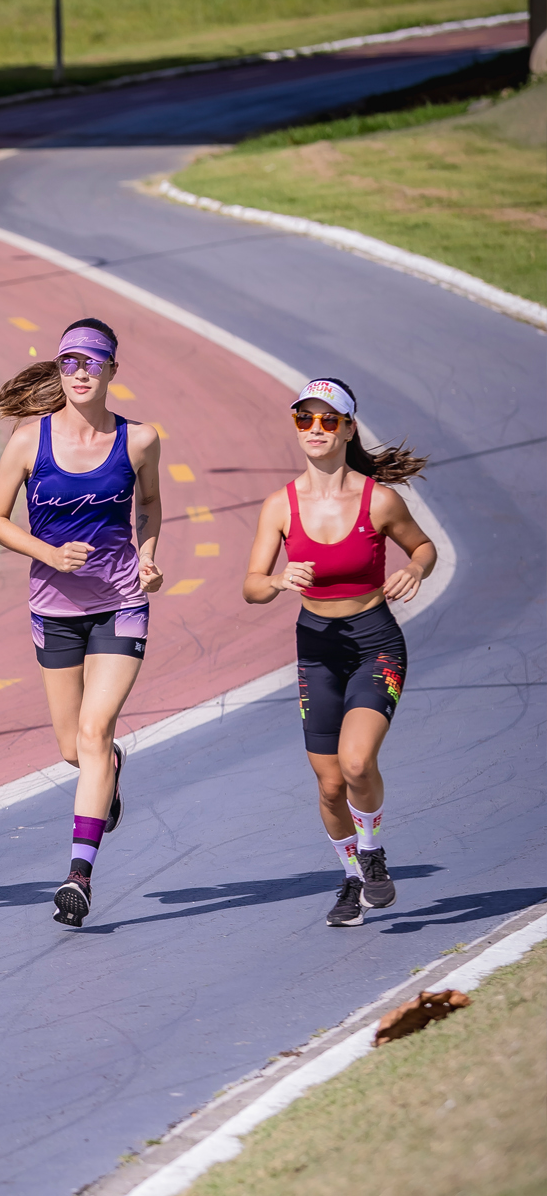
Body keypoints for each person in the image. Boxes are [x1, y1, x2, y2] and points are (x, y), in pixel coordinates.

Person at [0, 318, 163, 928]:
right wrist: (49, 554)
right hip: (53, 609)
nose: (81, 372)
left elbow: (152, 504)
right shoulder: (30, 442)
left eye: (93, 361)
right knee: (75, 748)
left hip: (119, 602)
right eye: (69, 362)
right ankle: (107, 771)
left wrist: (150, 555)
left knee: (91, 732)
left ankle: (78, 876)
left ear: (113, 369)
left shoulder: (139, 441)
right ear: (59, 371)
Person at [243, 378, 436, 927]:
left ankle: (371, 852)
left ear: (349, 429)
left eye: (329, 421)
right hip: (316, 648)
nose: (316, 430)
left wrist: (414, 568)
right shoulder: (279, 506)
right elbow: (251, 587)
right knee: (329, 784)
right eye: (306, 419)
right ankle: (352, 879)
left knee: (355, 762)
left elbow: (423, 546)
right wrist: (279, 581)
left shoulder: (380, 501)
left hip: (375, 641)